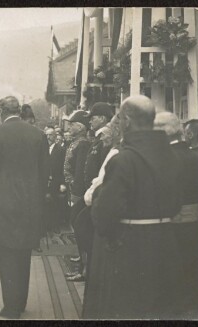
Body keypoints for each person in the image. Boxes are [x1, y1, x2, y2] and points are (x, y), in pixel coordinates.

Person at [83, 95, 184, 319]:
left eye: (118, 120)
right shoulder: (171, 156)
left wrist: (98, 195)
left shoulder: (123, 160)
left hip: (129, 250)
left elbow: (104, 217)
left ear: (126, 121)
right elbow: (176, 203)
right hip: (165, 246)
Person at [0, 96, 49, 319]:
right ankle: (20, 303)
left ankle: (11, 308)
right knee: (23, 254)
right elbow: (44, 172)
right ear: (19, 111)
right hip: (31, 205)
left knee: (7, 254)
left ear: (1, 111)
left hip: (5, 204)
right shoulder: (38, 135)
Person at [154, 112, 198, 318]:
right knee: (191, 261)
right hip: (194, 220)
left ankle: (172, 304)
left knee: (170, 263)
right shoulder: (196, 157)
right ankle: (190, 301)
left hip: (169, 220)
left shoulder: (162, 159)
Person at [68, 103, 113, 282]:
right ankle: (85, 268)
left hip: (96, 194)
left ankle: (88, 269)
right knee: (79, 224)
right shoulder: (97, 138)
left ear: (102, 118)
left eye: (92, 118)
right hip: (89, 192)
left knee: (82, 226)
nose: (90, 122)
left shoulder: (105, 140)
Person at [62, 110, 90, 277]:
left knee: (80, 228)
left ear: (80, 127)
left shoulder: (83, 144)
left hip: (78, 194)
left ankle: (83, 268)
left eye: (72, 124)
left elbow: (80, 173)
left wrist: (76, 195)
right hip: (72, 191)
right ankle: (81, 260)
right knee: (76, 227)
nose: (69, 127)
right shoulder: (75, 142)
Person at [44, 128, 66, 236]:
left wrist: (62, 183)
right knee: (45, 203)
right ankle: (46, 225)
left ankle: (55, 225)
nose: (48, 137)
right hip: (44, 180)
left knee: (55, 203)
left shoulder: (60, 150)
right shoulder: (42, 149)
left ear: (55, 136)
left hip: (56, 180)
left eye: (50, 135)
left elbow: (62, 167)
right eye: (46, 135)